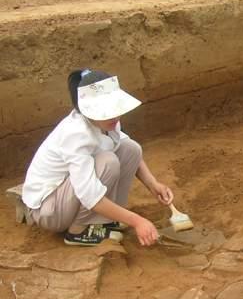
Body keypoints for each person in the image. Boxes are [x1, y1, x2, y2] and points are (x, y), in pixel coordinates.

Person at [22, 69, 172, 246]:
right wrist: (137, 221)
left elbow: (126, 146)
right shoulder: (76, 134)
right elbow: (89, 195)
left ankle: (106, 220)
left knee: (130, 149)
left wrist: (153, 184)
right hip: (49, 211)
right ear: (87, 110)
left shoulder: (108, 121)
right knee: (107, 162)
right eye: (105, 110)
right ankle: (80, 229)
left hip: (66, 198)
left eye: (115, 108)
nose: (114, 115)